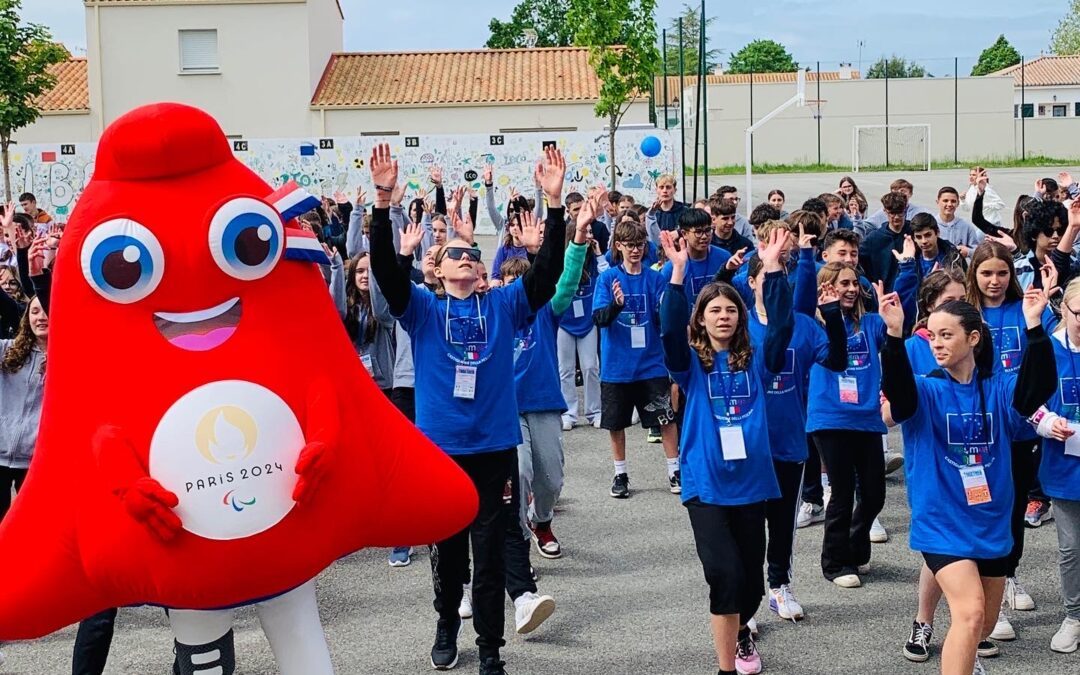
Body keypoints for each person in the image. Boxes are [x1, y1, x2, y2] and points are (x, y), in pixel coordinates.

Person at [370, 143, 567, 675]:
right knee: (450, 555)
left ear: (481, 274)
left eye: (473, 255)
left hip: (494, 449)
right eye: (457, 253)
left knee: (491, 557)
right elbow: (388, 277)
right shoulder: (426, 310)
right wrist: (384, 201)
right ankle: (444, 624)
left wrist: (554, 205)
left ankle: (489, 650)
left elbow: (545, 277)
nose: (465, 257)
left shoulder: (502, 305)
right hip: (442, 452)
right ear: (441, 270)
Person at [881, 285, 1055, 675]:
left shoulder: (999, 387)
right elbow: (900, 396)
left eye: (947, 335)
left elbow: (1036, 389)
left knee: (983, 624)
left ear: (973, 338)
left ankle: (966, 656)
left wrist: (1034, 326)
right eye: (932, 335)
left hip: (991, 521)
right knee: (971, 611)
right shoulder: (925, 389)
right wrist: (894, 336)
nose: (937, 343)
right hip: (941, 521)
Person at [658, 227, 793, 675]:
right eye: (714, 310)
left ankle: (741, 629)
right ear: (701, 318)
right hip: (707, 485)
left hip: (753, 483)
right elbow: (669, 332)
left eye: (730, 310)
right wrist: (677, 275)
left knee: (751, 585)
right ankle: (726, 668)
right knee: (724, 576)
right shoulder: (691, 364)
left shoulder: (754, 359)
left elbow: (782, 327)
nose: (723, 316)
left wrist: (772, 269)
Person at [746, 247, 847, 622]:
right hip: (749, 443)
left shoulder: (802, 324)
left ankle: (779, 584)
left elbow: (836, 360)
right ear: (753, 281)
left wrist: (833, 313)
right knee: (748, 523)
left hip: (789, 438)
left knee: (782, 520)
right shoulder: (738, 324)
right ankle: (747, 596)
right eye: (769, 276)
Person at [965, 240, 1058, 643]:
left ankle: (1008, 578)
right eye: (986, 273)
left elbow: (1052, 358)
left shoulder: (1028, 310)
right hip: (980, 435)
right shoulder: (966, 315)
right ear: (974, 275)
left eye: (1002, 273)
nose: (995, 281)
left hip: (1022, 432)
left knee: (1015, 508)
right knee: (986, 509)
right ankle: (983, 595)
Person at [806, 262, 889, 588]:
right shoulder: (817, 327)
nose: (852, 289)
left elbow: (895, 334)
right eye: (844, 283)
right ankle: (835, 562)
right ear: (828, 287)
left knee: (874, 494)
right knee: (841, 492)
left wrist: (905, 277)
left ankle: (855, 547)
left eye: (855, 283)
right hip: (831, 418)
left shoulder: (869, 323)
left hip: (866, 418)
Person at [594, 219, 679, 498]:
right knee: (616, 424)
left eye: (640, 245)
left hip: (651, 364)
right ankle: (620, 474)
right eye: (630, 245)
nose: (635, 251)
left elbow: (662, 318)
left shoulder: (655, 278)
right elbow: (599, 319)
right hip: (617, 368)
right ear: (618, 246)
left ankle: (674, 470)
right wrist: (616, 306)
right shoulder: (607, 279)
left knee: (665, 418)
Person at [1029, 276, 1080, 654]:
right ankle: (1074, 616)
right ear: (1063, 309)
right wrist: (1047, 422)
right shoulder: (1047, 348)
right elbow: (1027, 401)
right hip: (1065, 465)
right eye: (1079, 314)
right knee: (1072, 548)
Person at [860, 191, 913, 292]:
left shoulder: (915, 232)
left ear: (905, 210)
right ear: (885, 211)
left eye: (900, 212)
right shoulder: (874, 238)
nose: (896, 217)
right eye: (892, 213)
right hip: (884, 292)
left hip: (911, 290)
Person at [935, 186, 985, 256]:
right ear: (937, 202)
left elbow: (978, 252)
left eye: (953, 201)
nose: (949, 204)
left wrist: (968, 252)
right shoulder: (930, 225)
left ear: (958, 203)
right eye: (945, 201)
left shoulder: (966, 227)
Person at [866, 179, 930, 226]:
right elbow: (867, 225)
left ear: (910, 194)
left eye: (903, 191)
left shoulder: (920, 212)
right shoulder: (884, 212)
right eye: (895, 191)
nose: (899, 194)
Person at [645, 174, 688, 241]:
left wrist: (679, 232)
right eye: (661, 187)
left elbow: (692, 227)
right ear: (656, 190)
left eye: (668, 187)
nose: (665, 191)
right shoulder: (651, 213)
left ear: (675, 190)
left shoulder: (684, 211)